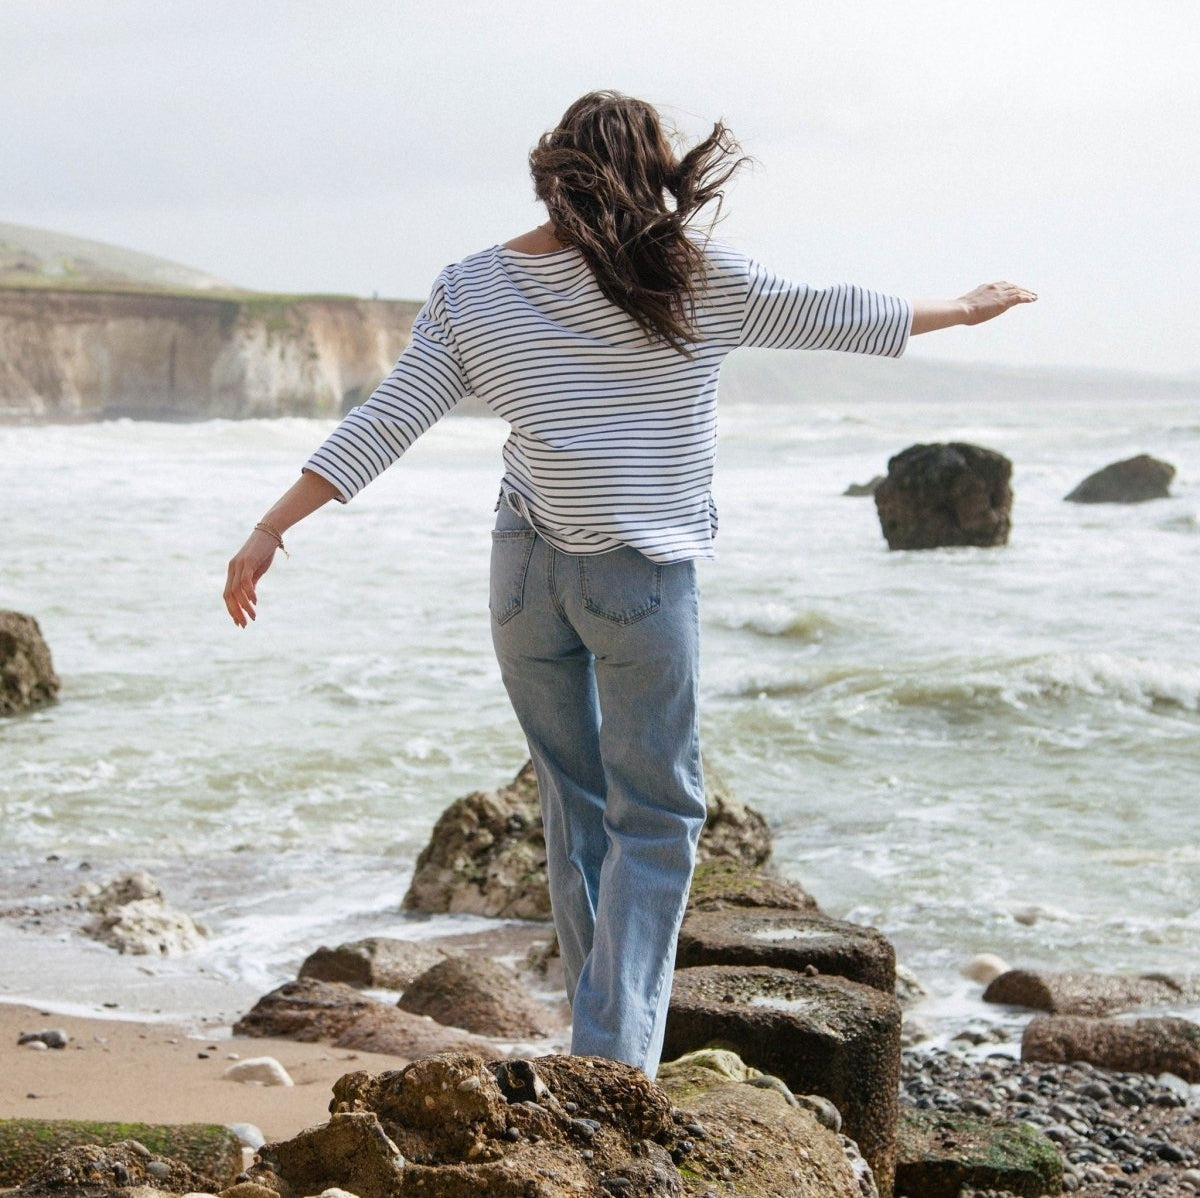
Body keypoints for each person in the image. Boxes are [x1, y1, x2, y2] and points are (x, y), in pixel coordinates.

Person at [224, 90, 1035, 1078]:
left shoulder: (472, 287)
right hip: (638, 579)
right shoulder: (692, 276)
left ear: (551, 167)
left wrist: (271, 528)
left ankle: (591, 1042)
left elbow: (388, 418)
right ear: (654, 170)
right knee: (657, 818)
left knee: (576, 804)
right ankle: (613, 1069)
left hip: (522, 573)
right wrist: (966, 305)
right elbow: (841, 314)